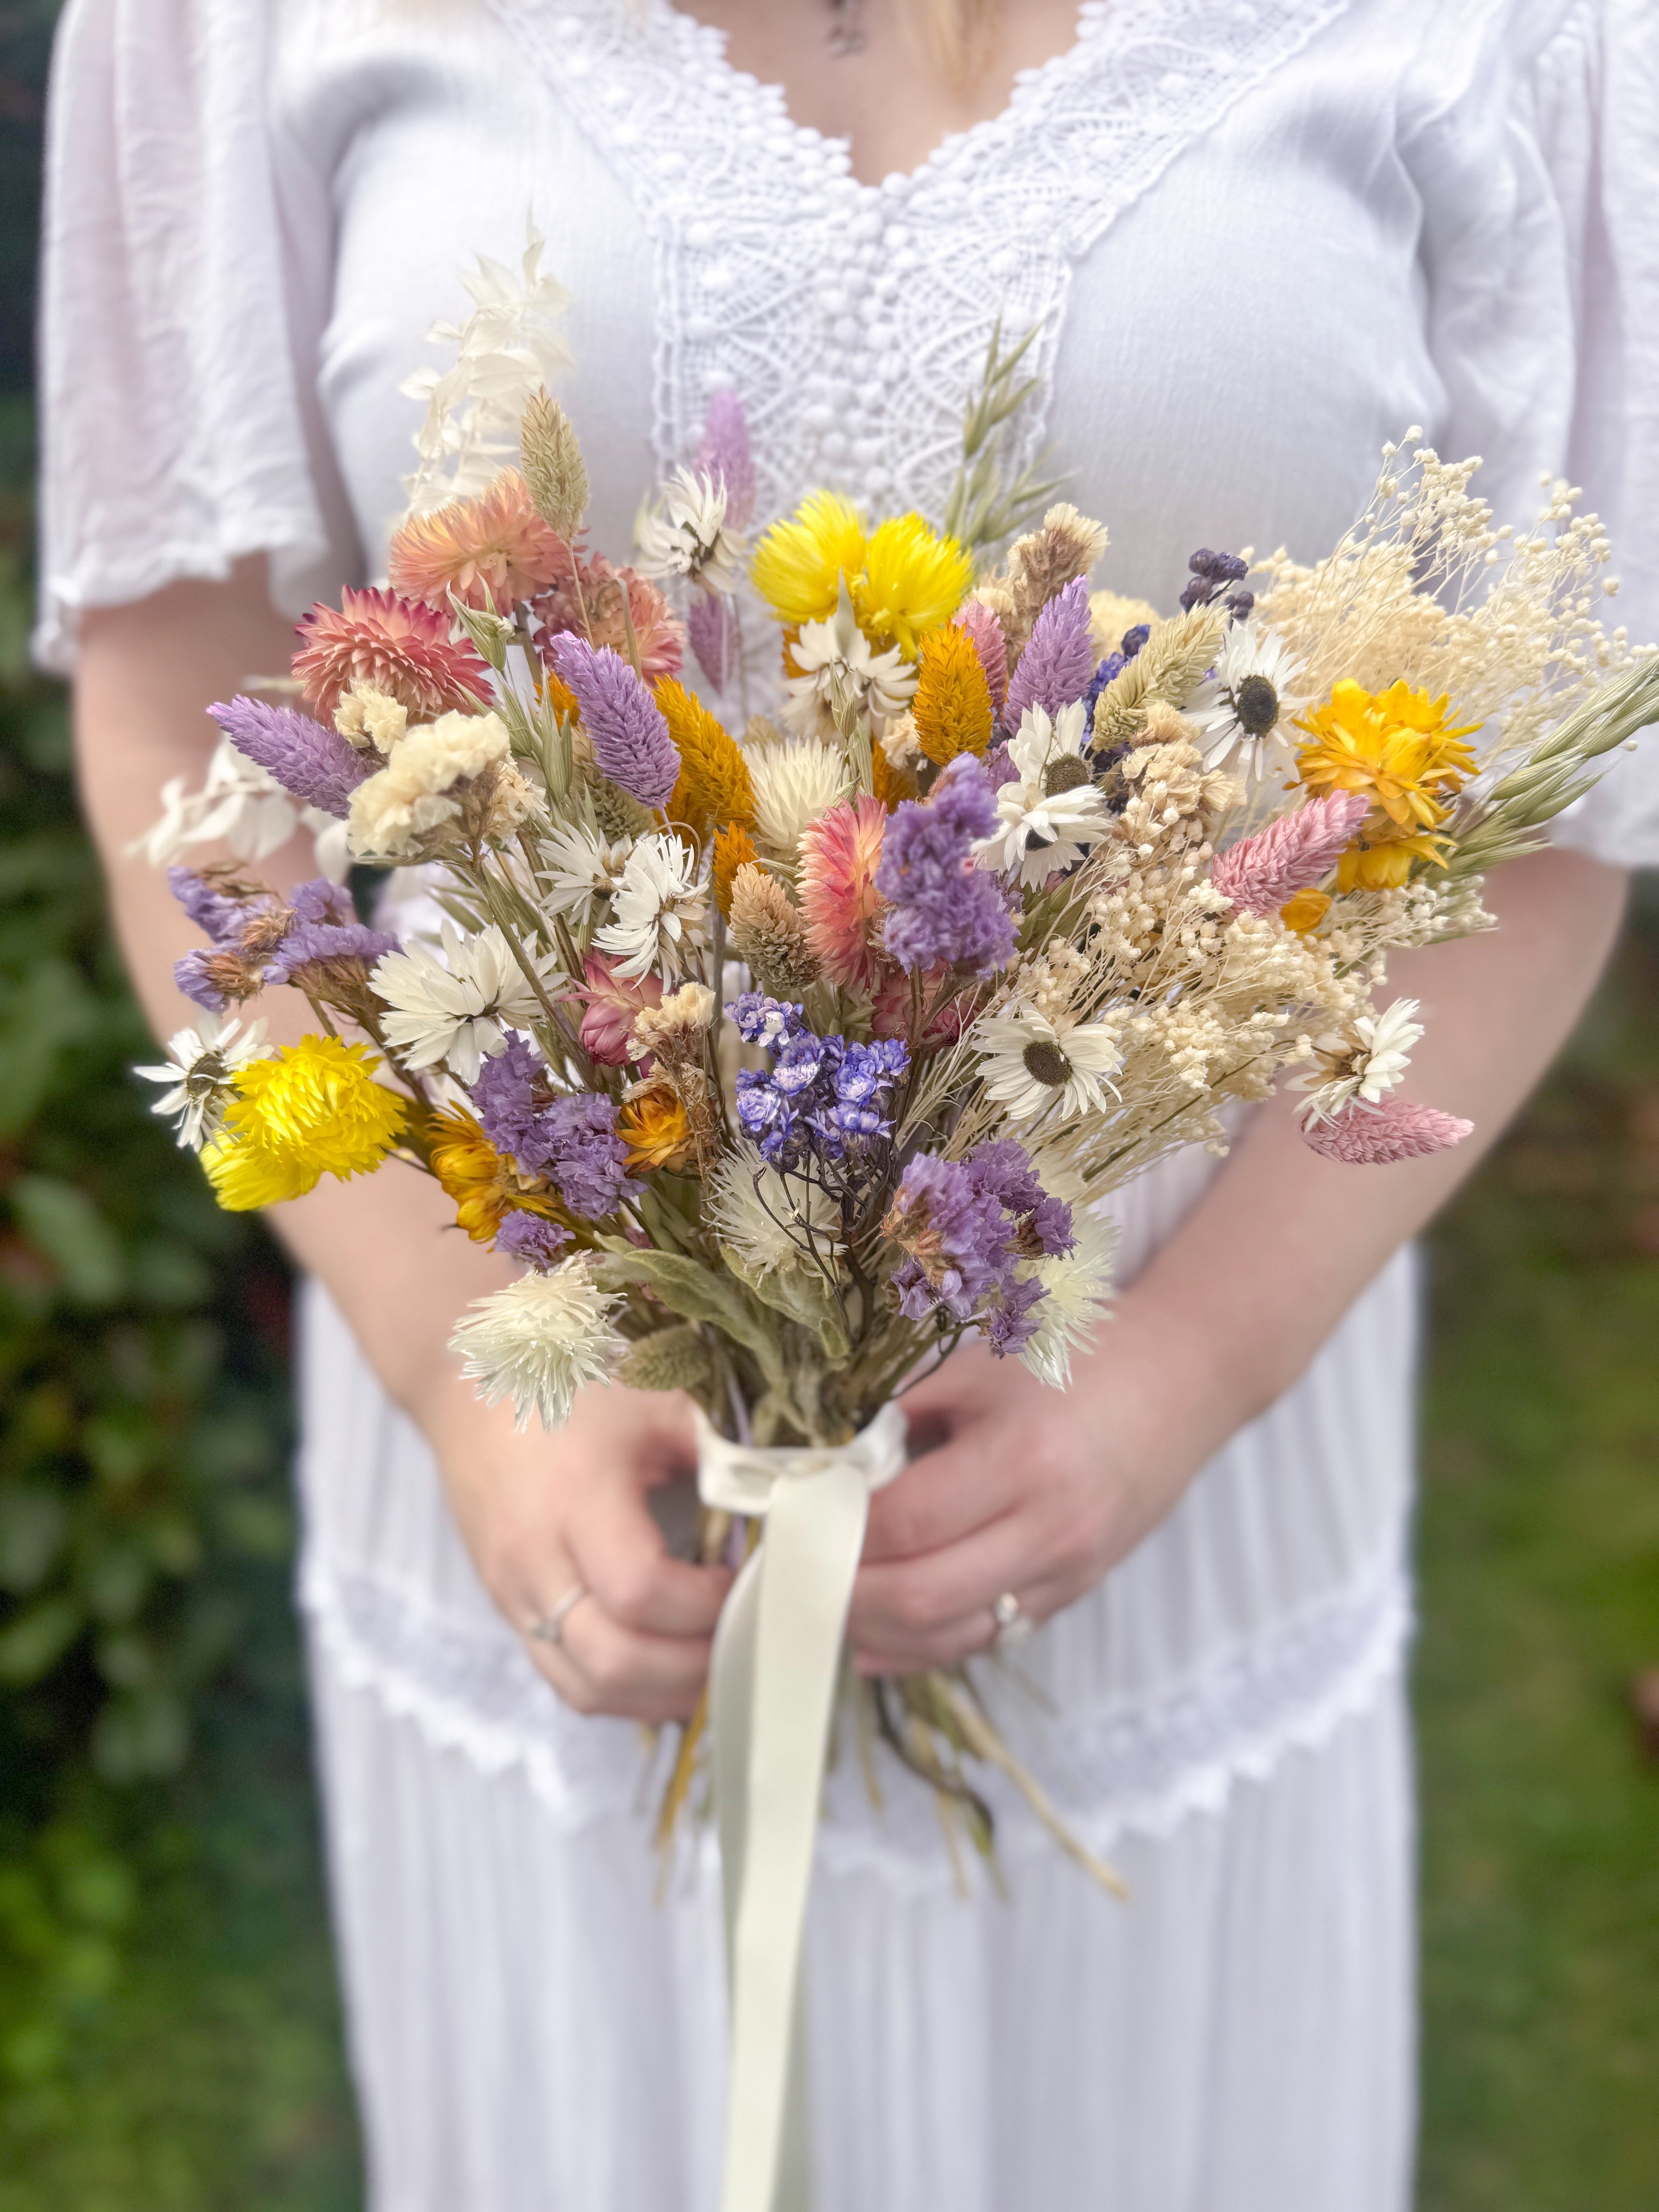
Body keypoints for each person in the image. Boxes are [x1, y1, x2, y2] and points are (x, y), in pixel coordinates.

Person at [38, 1, 1659, 2206]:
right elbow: (176, 682)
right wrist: (448, 1363)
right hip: (553, 1437)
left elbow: (1554, 800)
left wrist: (1170, 1383)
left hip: (1155, 1422)